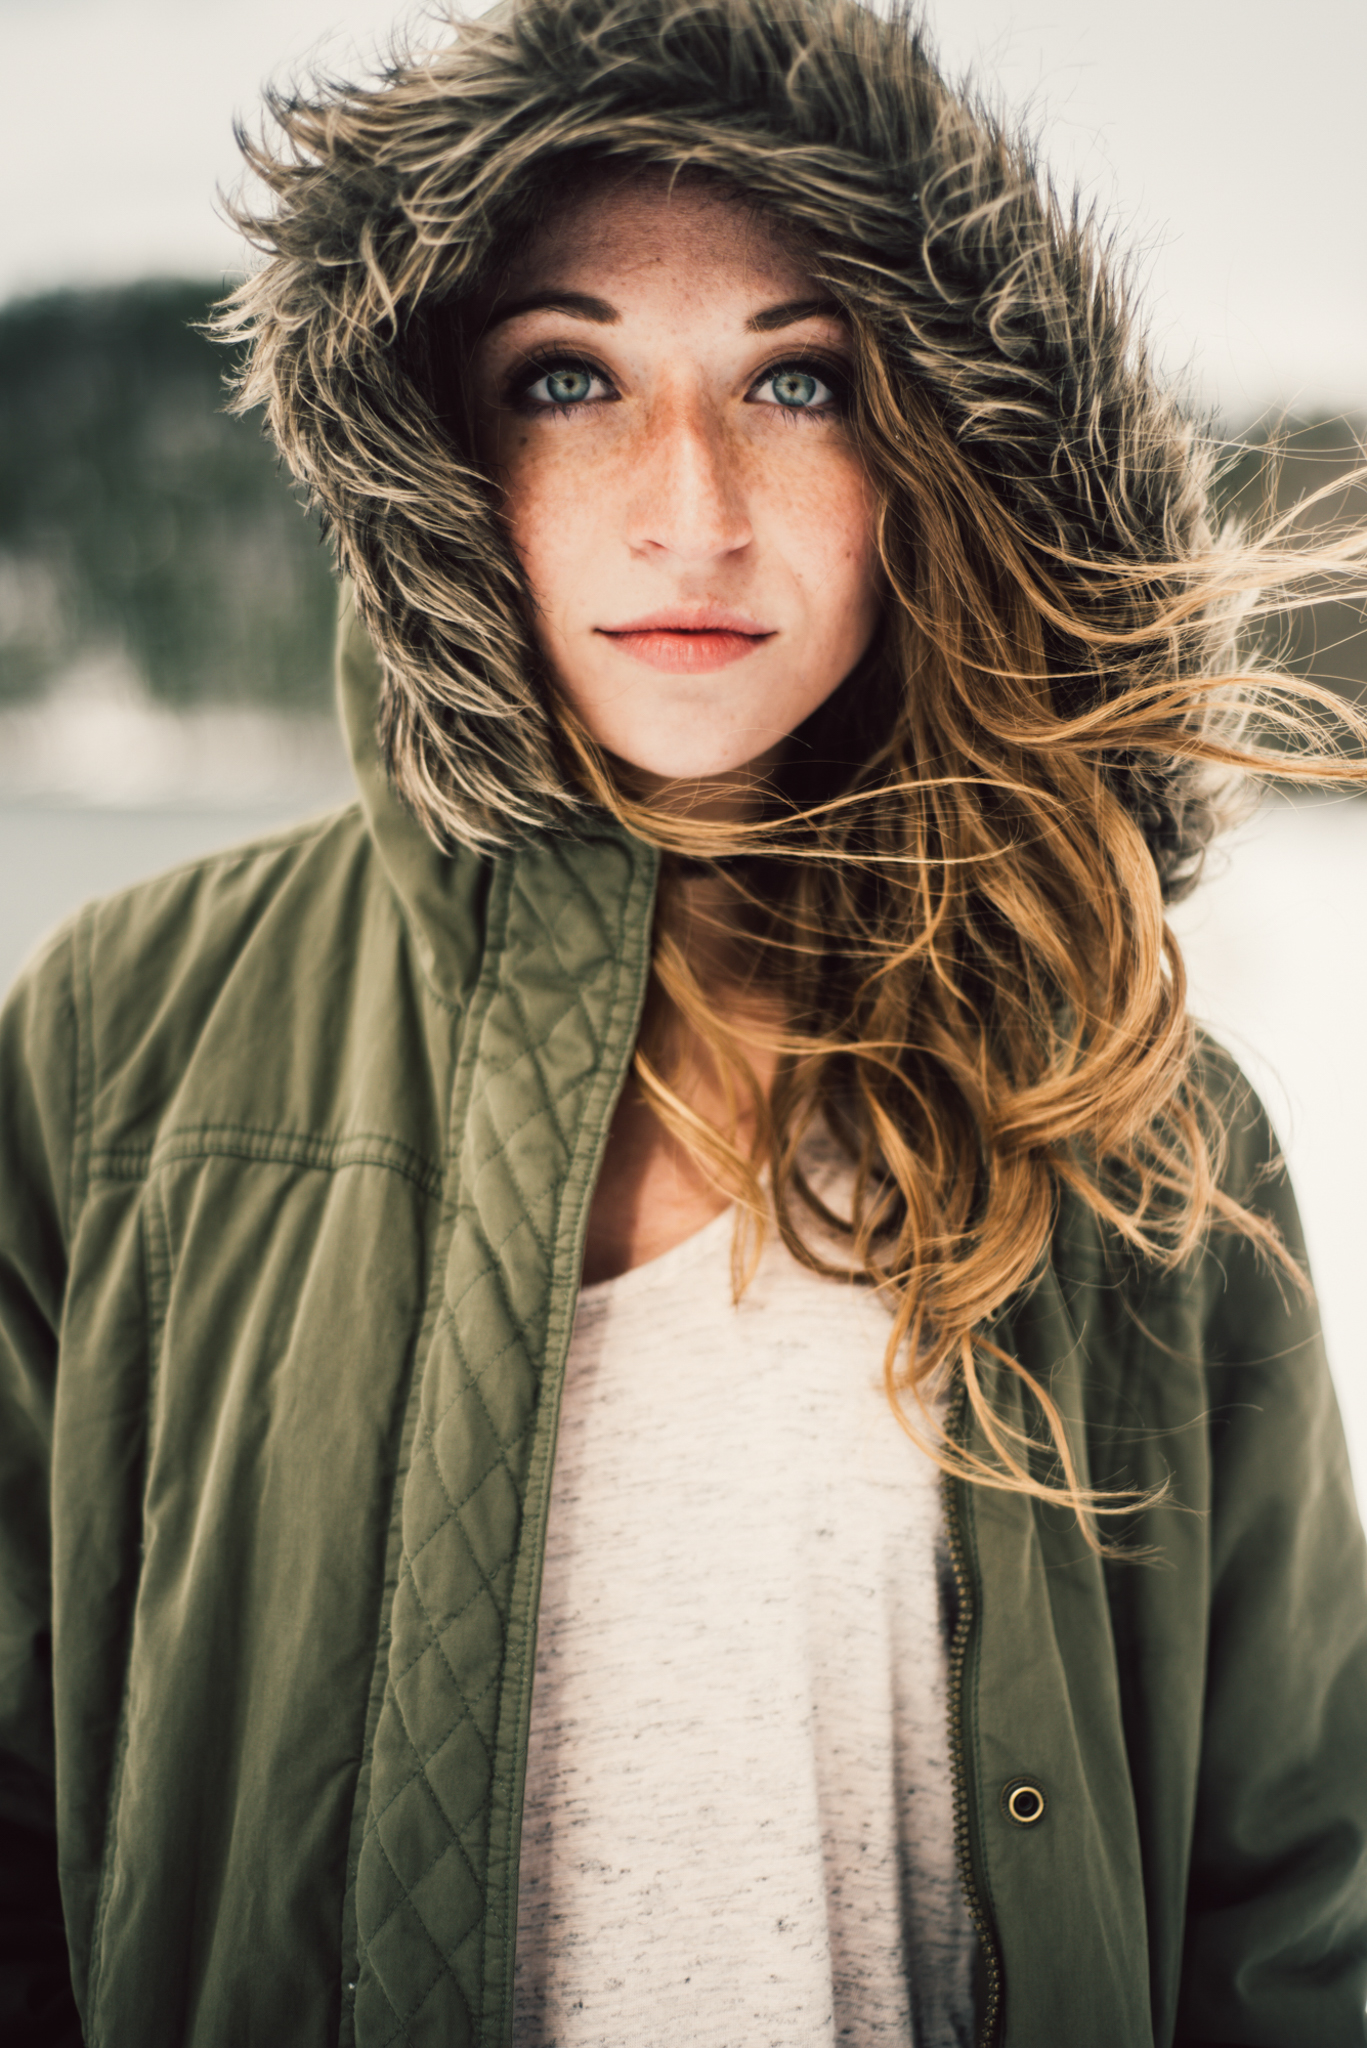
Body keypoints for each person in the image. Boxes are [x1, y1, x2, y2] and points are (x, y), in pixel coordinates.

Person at [2, 0, 1366, 2041]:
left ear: (938, 446)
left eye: (799, 383)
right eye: (569, 379)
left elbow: (1289, 1906)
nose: (691, 508)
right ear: (438, 450)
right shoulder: (128, 1042)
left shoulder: (1136, 1120)